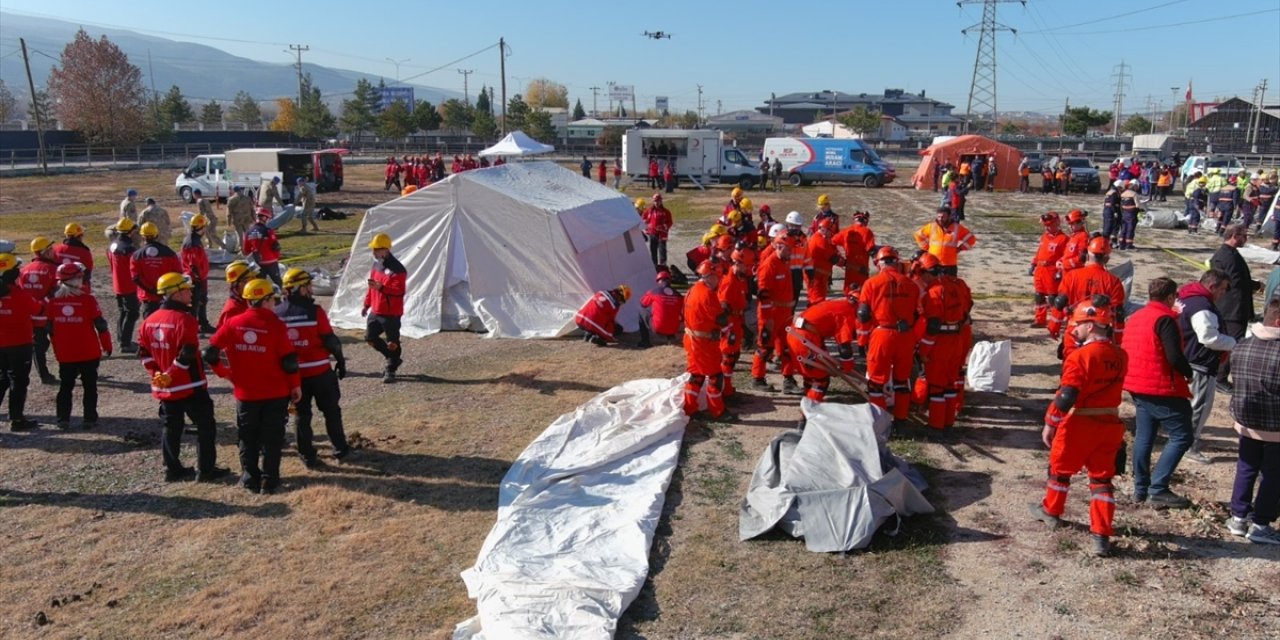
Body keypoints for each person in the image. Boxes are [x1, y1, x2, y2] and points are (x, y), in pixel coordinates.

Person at [1030, 296, 1127, 557]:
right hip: (1110, 423)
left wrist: (1051, 422)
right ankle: (1101, 535)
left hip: (1080, 422)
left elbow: (1067, 395)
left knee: (1059, 470)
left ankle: (1051, 511)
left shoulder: (1080, 357)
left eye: (1079, 324)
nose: (1074, 329)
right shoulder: (1120, 355)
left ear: (1092, 325)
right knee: (1102, 479)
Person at [207, 278, 301, 494]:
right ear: (266, 300)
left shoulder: (232, 323)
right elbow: (289, 362)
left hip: (245, 394)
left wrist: (226, 374)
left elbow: (209, 352)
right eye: (272, 300)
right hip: (275, 393)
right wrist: (295, 386)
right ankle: (270, 480)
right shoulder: (277, 325)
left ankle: (249, 478)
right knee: (272, 438)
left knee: (247, 437)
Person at [136, 272, 229, 483]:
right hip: (190, 385)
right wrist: (170, 374)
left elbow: (144, 354)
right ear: (176, 294)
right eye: (186, 289)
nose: (190, 292)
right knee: (206, 426)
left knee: (171, 428)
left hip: (166, 389)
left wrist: (157, 374)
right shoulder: (186, 320)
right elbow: (186, 355)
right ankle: (205, 470)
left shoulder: (148, 322)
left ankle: (172, 469)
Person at [1122, 278, 1195, 507]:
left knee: (1144, 436)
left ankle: (1140, 488)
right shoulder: (1165, 319)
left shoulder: (1136, 317)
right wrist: (1188, 372)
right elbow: (1173, 355)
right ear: (1171, 297)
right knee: (1183, 435)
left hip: (1137, 383)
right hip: (1161, 385)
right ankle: (1159, 488)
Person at [276, 268, 351, 466]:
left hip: (295, 376)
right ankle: (340, 448)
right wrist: (340, 360)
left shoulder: (277, 313)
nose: (310, 289)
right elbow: (330, 340)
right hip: (320, 372)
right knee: (331, 411)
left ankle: (307, 455)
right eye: (308, 285)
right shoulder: (314, 311)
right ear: (300, 288)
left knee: (301, 415)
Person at [1225, 295, 1280, 544]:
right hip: (1275, 425)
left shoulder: (1242, 345)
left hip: (1246, 419)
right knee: (1272, 475)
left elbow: (1228, 377)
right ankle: (1261, 524)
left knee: (1246, 468)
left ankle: (1238, 517)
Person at [1178, 270, 1236, 464]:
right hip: (1200, 364)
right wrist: (1233, 342)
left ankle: (1183, 439)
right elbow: (1208, 337)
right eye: (1224, 289)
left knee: (1186, 407)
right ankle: (1189, 446)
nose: (1224, 294)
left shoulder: (1187, 297)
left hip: (1186, 359)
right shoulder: (1203, 307)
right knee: (1199, 407)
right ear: (1212, 287)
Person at [857, 246, 919, 426]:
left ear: (879, 263)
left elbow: (863, 315)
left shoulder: (871, 283)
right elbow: (917, 313)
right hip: (905, 335)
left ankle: (879, 422)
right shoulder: (911, 284)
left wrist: (862, 341)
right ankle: (901, 420)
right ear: (896, 262)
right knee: (902, 381)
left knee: (876, 382)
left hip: (882, 334)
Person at [47, 262, 112, 430]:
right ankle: (89, 418)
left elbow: (48, 329)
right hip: (88, 352)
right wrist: (107, 345)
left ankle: (63, 419)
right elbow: (101, 325)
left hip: (65, 353)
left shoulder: (52, 303)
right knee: (90, 386)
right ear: (76, 279)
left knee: (65, 386)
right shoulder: (88, 300)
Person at [918, 254, 973, 429]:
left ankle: (936, 425)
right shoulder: (957, 284)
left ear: (928, 272)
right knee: (950, 384)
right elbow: (967, 307)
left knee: (936, 386)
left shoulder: (934, 292)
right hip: (957, 339)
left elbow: (933, 326)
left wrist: (923, 352)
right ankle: (948, 421)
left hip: (941, 343)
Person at [1055, 237, 1127, 360]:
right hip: (1100, 333)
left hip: (1075, 329)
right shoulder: (1114, 282)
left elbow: (1059, 304)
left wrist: (1054, 326)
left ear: (1086, 255)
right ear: (1107, 258)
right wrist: (1118, 341)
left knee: (1072, 365)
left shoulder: (1072, 276)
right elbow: (1118, 314)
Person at [1210, 224, 1261, 392]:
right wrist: (1253, 285)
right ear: (1234, 236)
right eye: (1244, 236)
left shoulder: (1231, 254)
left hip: (1234, 306)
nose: (1246, 239)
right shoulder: (1225, 256)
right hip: (1232, 308)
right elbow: (1232, 281)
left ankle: (1219, 375)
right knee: (1232, 343)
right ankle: (1220, 378)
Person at [751, 224, 798, 394]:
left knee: (786, 348)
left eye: (791, 248)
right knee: (765, 347)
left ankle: (788, 380)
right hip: (771, 315)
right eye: (788, 248)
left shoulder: (784, 262)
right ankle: (757, 378)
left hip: (784, 314)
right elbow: (763, 295)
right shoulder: (769, 265)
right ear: (778, 246)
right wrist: (767, 319)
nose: (790, 252)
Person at [786, 294, 857, 405]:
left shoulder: (838, 304)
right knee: (821, 379)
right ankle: (807, 413)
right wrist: (847, 365)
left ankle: (808, 401)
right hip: (805, 339)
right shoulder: (847, 312)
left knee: (811, 375)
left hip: (796, 334)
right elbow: (844, 345)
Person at [0, 253, 41, 430]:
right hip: (19, 344)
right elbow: (38, 309)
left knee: (2, 379)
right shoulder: (20, 294)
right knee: (19, 381)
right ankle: (17, 419)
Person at [682, 261, 728, 418]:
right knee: (715, 375)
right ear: (711, 276)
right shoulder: (707, 294)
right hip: (704, 343)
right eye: (718, 278)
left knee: (696, 375)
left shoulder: (692, 290)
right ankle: (718, 411)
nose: (719, 282)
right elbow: (720, 319)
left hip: (691, 339)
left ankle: (690, 408)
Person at [363, 233, 408, 382]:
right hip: (376, 310)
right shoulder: (376, 265)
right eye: (373, 249)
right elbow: (371, 287)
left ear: (386, 250)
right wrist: (366, 304)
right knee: (370, 338)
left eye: (376, 249)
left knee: (392, 343)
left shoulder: (398, 269)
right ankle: (392, 358)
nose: (374, 252)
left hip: (391, 313)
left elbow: (399, 291)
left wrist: (382, 288)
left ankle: (391, 368)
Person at [21, 237, 60, 384]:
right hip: (49, 314)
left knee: (38, 346)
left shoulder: (24, 270)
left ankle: (43, 374)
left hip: (32, 315)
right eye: (51, 249)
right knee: (60, 342)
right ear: (46, 252)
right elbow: (57, 292)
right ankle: (69, 369)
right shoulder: (52, 269)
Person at [131, 222, 183, 318]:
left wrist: (152, 290)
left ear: (142, 236)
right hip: (167, 297)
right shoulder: (169, 253)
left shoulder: (136, 255)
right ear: (157, 235)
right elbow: (178, 274)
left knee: (150, 326)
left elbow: (136, 278)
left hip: (148, 298)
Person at [106, 218, 141, 353]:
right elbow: (134, 268)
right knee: (132, 313)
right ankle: (125, 343)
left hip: (117, 284)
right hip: (128, 286)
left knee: (123, 312)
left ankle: (122, 339)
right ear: (130, 232)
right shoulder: (129, 249)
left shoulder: (113, 245)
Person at [717, 255, 749, 399]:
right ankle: (725, 390)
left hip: (736, 320)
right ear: (735, 264)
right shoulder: (730, 281)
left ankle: (726, 387)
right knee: (728, 356)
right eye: (743, 266)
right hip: (730, 322)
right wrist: (727, 328)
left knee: (733, 355)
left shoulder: (739, 280)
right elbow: (723, 305)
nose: (746, 269)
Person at [913, 206, 977, 276]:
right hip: (932, 264)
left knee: (949, 286)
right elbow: (918, 235)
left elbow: (971, 238)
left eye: (943, 217)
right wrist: (926, 247)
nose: (940, 219)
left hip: (949, 265)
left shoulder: (957, 228)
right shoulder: (932, 227)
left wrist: (960, 248)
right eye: (939, 217)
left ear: (949, 217)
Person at [180, 215, 217, 334]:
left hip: (199, 277)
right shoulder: (192, 242)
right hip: (196, 278)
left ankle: (203, 324)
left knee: (202, 301)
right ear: (201, 227)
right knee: (195, 303)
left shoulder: (194, 240)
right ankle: (193, 327)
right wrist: (198, 279)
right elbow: (193, 264)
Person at [1030, 211, 1067, 328]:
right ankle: (1039, 320)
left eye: (1049, 225)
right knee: (1039, 296)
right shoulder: (1044, 237)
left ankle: (1055, 321)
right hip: (1040, 269)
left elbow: (1065, 257)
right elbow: (1039, 252)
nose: (1047, 227)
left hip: (1052, 270)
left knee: (1052, 298)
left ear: (1057, 223)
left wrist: (1060, 272)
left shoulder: (1063, 239)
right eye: (1046, 225)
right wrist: (1033, 264)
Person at [834, 210, 875, 297]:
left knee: (849, 294)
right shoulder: (867, 232)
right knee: (862, 295)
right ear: (866, 221)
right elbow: (872, 250)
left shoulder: (846, 231)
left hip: (849, 268)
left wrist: (838, 257)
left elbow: (832, 241)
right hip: (861, 270)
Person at [640, 270, 683, 346]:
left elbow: (643, 304)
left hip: (658, 328)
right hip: (674, 329)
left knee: (641, 313)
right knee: (670, 310)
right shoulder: (678, 295)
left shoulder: (654, 291)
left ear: (658, 281)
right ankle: (670, 335)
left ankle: (645, 341)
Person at [243, 208, 283, 288]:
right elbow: (276, 247)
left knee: (260, 284)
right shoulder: (268, 231)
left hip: (257, 263)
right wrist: (277, 257)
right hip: (271, 261)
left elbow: (246, 250)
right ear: (265, 218)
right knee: (278, 283)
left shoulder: (249, 232)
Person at [805, 218, 838, 304]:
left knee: (814, 299)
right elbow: (833, 258)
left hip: (817, 275)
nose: (830, 234)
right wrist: (847, 263)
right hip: (817, 277)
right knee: (817, 301)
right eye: (830, 231)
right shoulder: (820, 240)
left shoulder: (816, 238)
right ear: (825, 229)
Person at [52, 223, 93, 293]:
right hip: (79, 290)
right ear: (78, 236)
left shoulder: (56, 249)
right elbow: (87, 273)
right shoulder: (85, 252)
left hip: (59, 289)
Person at [218, 261, 259, 326]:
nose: (253, 283)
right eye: (250, 279)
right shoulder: (232, 310)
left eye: (254, 278)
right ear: (237, 284)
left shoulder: (246, 301)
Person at [642, 193, 673, 268]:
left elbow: (670, 222)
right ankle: (654, 266)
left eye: (658, 201)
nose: (657, 203)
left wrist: (663, 227)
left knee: (662, 250)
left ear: (661, 201)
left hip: (662, 234)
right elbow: (643, 219)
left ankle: (663, 266)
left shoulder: (666, 212)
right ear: (653, 201)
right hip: (652, 233)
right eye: (655, 201)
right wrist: (647, 227)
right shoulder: (649, 211)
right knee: (653, 250)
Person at [1116, 180, 1141, 250]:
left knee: (1123, 229)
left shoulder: (1123, 194)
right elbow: (1138, 205)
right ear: (1135, 186)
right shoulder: (1134, 194)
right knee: (1130, 229)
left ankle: (1121, 244)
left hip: (1124, 214)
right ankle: (1129, 245)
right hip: (1132, 214)